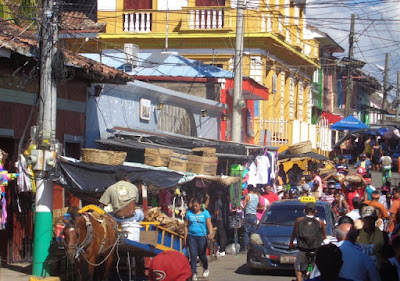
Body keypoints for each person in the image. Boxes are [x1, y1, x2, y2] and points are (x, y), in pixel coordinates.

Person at [289, 202, 326, 281]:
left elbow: (294, 233)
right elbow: (324, 236)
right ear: (315, 211)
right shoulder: (320, 222)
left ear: (304, 210)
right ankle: (310, 272)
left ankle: (299, 279)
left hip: (303, 249)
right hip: (314, 250)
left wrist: (291, 243)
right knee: (312, 266)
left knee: (298, 269)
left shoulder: (299, 220)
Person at [184, 199, 213, 280]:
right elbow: (186, 226)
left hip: (202, 236)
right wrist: (185, 238)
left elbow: (209, 224)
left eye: (196, 206)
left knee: (202, 255)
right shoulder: (189, 213)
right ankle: (194, 273)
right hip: (191, 236)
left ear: (200, 205)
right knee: (193, 255)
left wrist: (210, 233)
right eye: (193, 206)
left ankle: (205, 266)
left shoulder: (205, 213)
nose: (195, 207)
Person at [242, 184, 259, 253]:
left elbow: (244, 206)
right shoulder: (256, 196)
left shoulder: (247, 196)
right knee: (253, 232)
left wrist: (243, 209)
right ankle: (254, 247)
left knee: (246, 231)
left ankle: (246, 247)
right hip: (254, 215)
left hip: (248, 214)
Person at [214, 190, 228, 257]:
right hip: (225, 219)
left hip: (220, 219)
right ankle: (223, 248)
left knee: (221, 234)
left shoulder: (217, 202)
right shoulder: (226, 201)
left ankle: (222, 249)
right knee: (224, 234)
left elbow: (216, 212)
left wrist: (216, 218)